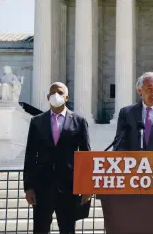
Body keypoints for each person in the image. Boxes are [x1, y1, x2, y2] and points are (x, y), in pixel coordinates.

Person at [100, 72, 153, 234]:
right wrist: (135, 163)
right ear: (139, 91)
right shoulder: (126, 113)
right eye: (149, 88)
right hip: (132, 180)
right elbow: (120, 143)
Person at [23, 82, 91, 234]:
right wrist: (28, 187)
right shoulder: (37, 121)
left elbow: (85, 154)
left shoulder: (79, 121)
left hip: (68, 186)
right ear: (47, 97)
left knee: (67, 229)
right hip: (42, 186)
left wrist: (87, 187)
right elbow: (30, 155)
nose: (56, 95)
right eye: (52, 92)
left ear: (67, 97)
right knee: (40, 229)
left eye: (60, 92)